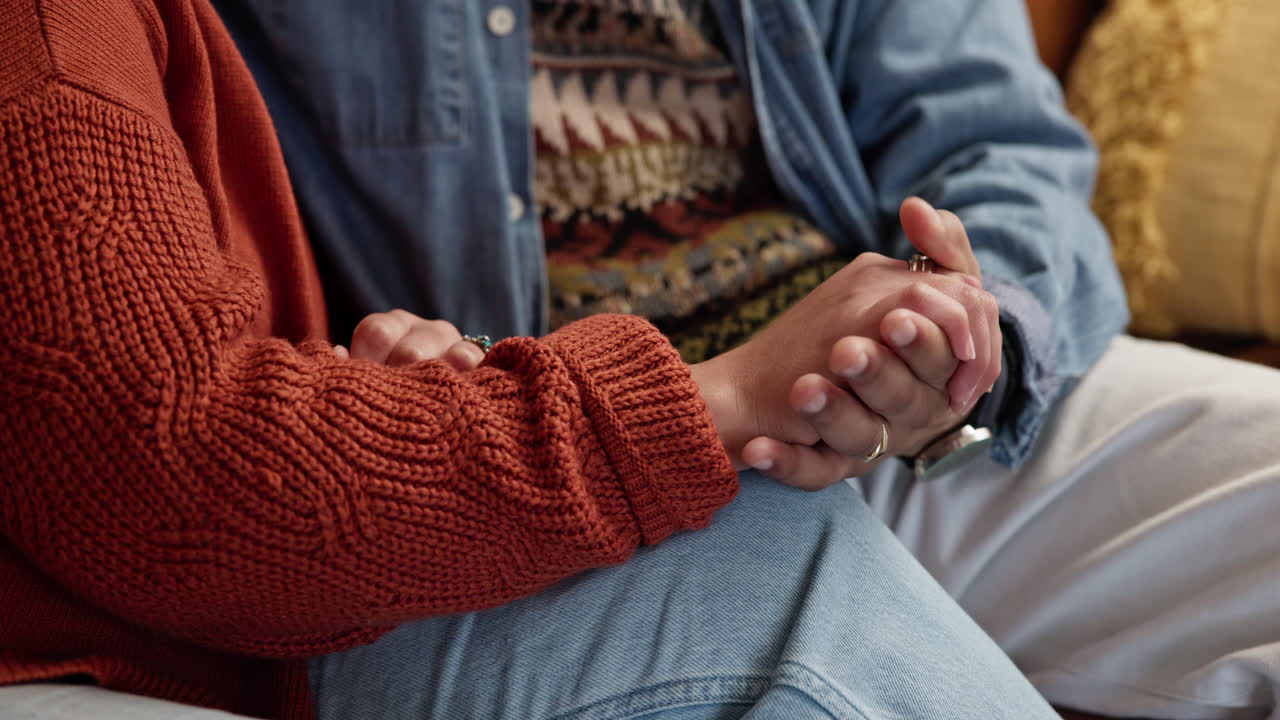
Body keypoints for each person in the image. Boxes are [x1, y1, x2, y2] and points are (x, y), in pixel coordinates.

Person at [0, 4, 1273, 720]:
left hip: (895, 406)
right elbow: (155, 407)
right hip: (547, 455)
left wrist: (947, 331)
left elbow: (1002, 146)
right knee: (783, 611)